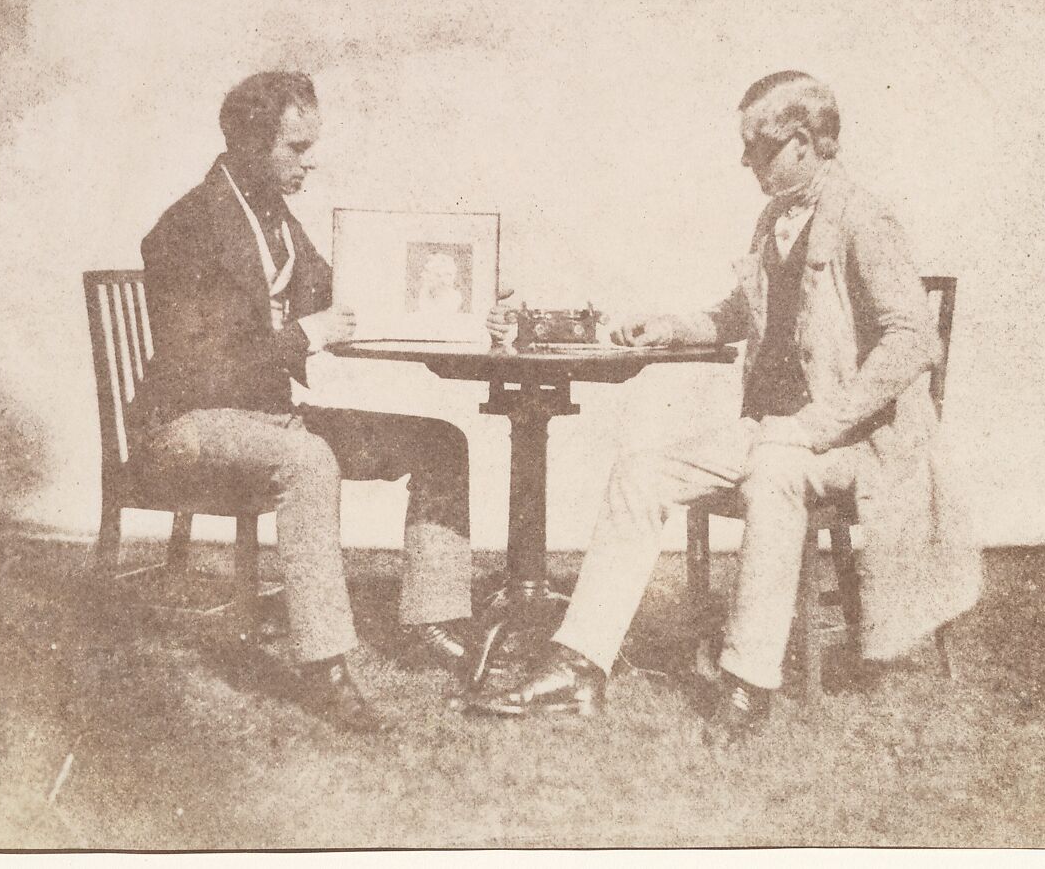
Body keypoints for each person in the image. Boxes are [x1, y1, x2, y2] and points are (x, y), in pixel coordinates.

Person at [480, 71, 981, 745]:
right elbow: (744, 312)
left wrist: (817, 424)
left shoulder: (864, 217)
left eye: (758, 146)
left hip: (859, 443)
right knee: (640, 470)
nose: (746, 160)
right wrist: (671, 326)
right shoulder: (774, 217)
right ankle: (579, 667)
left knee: (775, 467)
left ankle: (748, 682)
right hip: (775, 429)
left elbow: (912, 339)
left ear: (802, 142)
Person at [133, 71, 472, 734]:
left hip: (266, 415)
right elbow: (195, 365)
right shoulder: (183, 227)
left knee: (438, 441)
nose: (307, 161)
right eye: (295, 147)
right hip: (185, 424)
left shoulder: (278, 220)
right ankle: (326, 667)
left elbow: (348, 292)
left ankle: (433, 620)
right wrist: (303, 334)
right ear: (249, 143)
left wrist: (468, 299)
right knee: (309, 458)